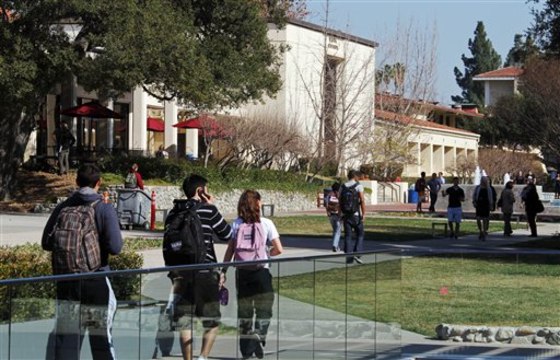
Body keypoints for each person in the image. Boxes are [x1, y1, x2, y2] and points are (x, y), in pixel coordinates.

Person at [41, 164, 123, 359]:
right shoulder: (103, 208)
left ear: (76, 182)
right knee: (100, 337)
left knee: (67, 338)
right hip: (95, 278)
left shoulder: (64, 206)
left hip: (66, 280)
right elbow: (116, 247)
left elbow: (46, 242)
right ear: (99, 183)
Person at [168, 174, 232, 360]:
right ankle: (203, 357)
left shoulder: (174, 213)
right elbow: (227, 234)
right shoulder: (208, 210)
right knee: (211, 321)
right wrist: (213, 206)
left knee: (184, 321)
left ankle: (187, 359)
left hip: (180, 274)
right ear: (200, 191)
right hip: (205, 273)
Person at [222, 190, 283, 360]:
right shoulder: (266, 223)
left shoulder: (237, 224)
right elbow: (279, 248)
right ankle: (259, 333)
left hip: (242, 273)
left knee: (244, 312)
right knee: (265, 308)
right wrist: (266, 254)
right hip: (261, 271)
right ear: (257, 204)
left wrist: (223, 271)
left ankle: (246, 353)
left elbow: (230, 249)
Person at [341, 170, 366, 264]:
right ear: (355, 176)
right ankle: (357, 253)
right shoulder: (358, 186)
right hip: (355, 215)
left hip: (346, 215)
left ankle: (348, 256)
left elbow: (340, 202)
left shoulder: (343, 186)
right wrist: (364, 214)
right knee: (360, 234)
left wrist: (341, 214)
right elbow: (362, 200)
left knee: (348, 236)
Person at [472, 176, 497, 241]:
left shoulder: (489, 189)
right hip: (479, 205)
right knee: (478, 219)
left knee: (485, 219)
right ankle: (480, 230)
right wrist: (474, 202)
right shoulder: (478, 188)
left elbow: (490, 197)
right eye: (483, 180)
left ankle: (484, 232)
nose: (484, 182)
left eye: (485, 180)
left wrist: (491, 205)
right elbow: (474, 195)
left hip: (486, 205)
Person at [325, 182, 342, 252]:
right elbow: (341, 205)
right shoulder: (339, 195)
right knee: (338, 231)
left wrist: (328, 212)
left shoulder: (329, 195)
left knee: (335, 230)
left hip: (331, 215)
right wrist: (340, 214)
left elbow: (326, 204)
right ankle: (335, 245)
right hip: (338, 215)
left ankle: (336, 245)